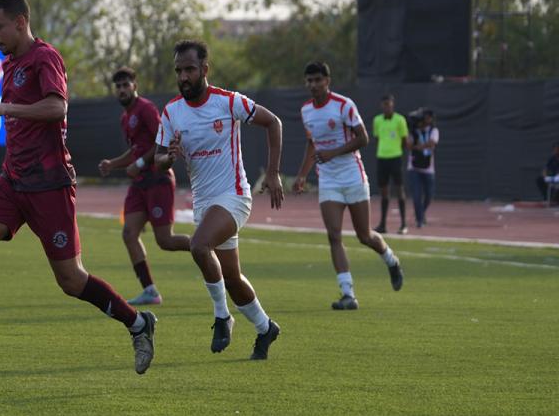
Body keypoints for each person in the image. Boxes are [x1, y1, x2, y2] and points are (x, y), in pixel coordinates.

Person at [0, 0, 156, 385]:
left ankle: (138, 324)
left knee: (71, 280)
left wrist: (7, 108)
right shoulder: (10, 65)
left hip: (50, 185)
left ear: (21, 22)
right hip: (12, 181)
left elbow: (57, 108)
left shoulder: (45, 58)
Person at [149, 40, 283, 360]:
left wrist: (273, 173)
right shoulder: (171, 112)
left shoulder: (228, 101)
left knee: (198, 246)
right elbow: (158, 159)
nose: (183, 77)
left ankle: (222, 317)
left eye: (189, 69)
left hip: (234, 196)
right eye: (179, 70)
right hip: (204, 204)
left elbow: (273, 122)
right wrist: (169, 157)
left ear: (204, 69)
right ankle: (265, 328)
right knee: (232, 279)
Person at [291, 62, 404, 310]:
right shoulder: (306, 110)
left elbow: (363, 138)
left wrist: (333, 153)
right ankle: (348, 294)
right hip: (328, 180)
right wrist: (302, 175)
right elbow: (312, 144)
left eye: (317, 80)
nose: (313, 85)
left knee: (364, 235)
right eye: (309, 81)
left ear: (327, 81)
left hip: (353, 175)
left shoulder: (343, 105)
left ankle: (391, 260)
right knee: (334, 235)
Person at [97, 66, 189, 306]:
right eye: (118, 86)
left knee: (165, 241)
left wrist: (139, 163)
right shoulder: (124, 117)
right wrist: (113, 164)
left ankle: (204, 246)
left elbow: (162, 140)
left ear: (134, 86)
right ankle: (150, 291)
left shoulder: (146, 109)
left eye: (125, 85)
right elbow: (135, 150)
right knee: (129, 234)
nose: (122, 90)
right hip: (139, 184)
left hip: (158, 179)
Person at [370, 95, 409, 235]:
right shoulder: (377, 120)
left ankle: (403, 224)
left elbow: (404, 140)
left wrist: (396, 150)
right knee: (384, 192)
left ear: (393, 105)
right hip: (382, 158)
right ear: (382, 105)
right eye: (385, 104)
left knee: (399, 190)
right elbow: (377, 138)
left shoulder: (400, 120)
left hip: (395, 158)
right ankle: (382, 224)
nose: (387, 107)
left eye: (389, 104)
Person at [407, 110, 439, 229]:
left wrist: (419, 147)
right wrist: (412, 131)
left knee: (429, 195)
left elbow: (432, 143)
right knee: (416, 195)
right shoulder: (413, 131)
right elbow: (409, 145)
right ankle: (419, 220)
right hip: (414, 167)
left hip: (428, 168)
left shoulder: (433, 130)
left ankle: (421, 212)